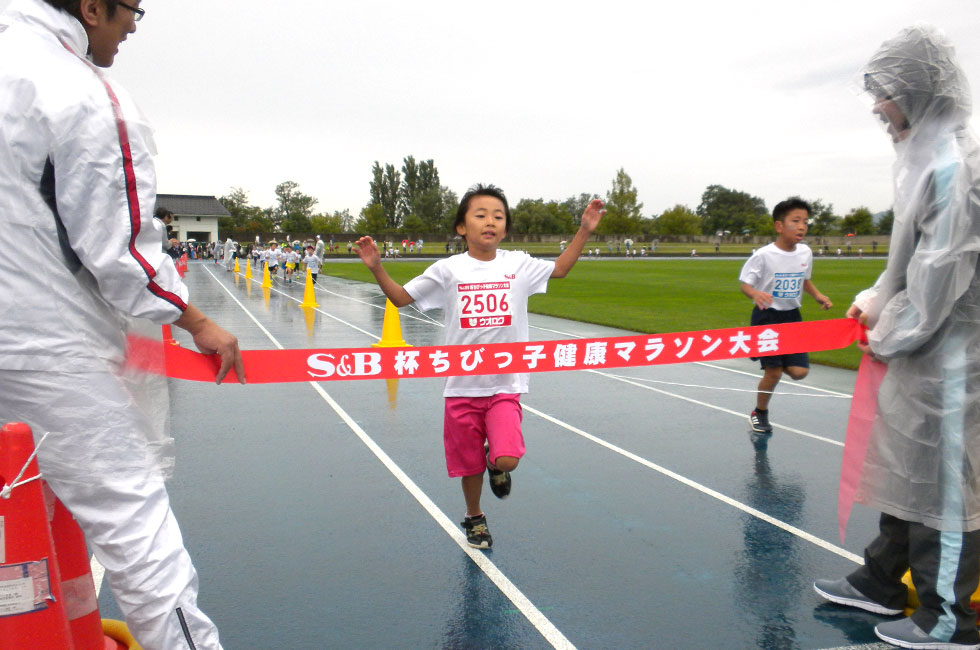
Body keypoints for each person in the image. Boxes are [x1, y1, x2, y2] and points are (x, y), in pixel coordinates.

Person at [0, 1, 245, 648]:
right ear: (90, 7)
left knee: (19, 521)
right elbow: (119, 248)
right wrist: (193, 318)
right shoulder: (78, 88)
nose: (134, 25)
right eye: (132, 9)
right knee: (135, 529)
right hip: (46, 346)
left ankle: (69, 631)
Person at [813, 25, 980, 650]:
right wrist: (875, 303)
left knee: (944, 480)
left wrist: (887, 329)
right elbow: (907, 266)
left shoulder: (952, 167)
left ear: (916, 90)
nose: (879, 107)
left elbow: (938, 285)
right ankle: (885, 578)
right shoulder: (921, 158)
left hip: (954, 356)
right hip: (925, 354)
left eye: (885, 93)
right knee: (909, 464)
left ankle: (949, 620)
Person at [355, 184, 604, 549]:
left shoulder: (518, 264)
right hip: (462, 387)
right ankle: (474, 516)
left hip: (505, 383)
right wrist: (377, 268)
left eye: (498, 216)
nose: (490, 221)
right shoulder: (447, 270)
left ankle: (497, 465)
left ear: (505, 229)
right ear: (461, 227)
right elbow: (401, 298)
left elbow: (562, 269)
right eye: (481, 215)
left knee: (506, 457)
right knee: (467, 465)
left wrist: (584, 230)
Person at [739, 197, 832, 435]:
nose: (802, 226)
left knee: (799, 373)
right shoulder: (764, 255)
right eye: (796, 221)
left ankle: (776, 360)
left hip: (792, 316)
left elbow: (804, 280)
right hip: (767, 317)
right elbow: (745, 284)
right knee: (774, 372)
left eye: (805, 222)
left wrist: (818, 295)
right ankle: (759, 413)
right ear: (779, 226)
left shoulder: (805, 252)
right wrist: (755, 293)